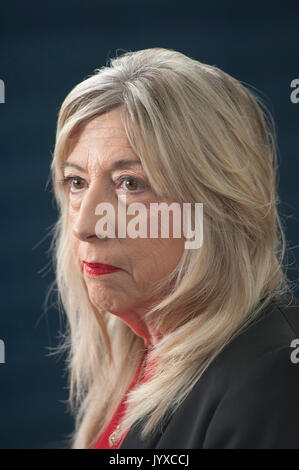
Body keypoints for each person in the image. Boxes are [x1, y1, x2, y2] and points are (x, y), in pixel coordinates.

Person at [49, 47, 299, 449]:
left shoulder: (275, 379)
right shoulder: (143, 355)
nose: (84, 225)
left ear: (219, 208)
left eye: (130, 183)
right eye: (76, 182)